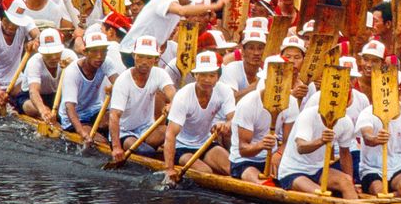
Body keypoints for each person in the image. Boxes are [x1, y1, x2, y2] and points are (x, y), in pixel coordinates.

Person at [162, 51, 235, 182]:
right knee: (205, 172)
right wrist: (169, 168)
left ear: (217, 77)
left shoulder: (224, 90)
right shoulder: (183, 95)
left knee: (231, 169)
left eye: (212, 75)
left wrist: (226, 125)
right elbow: (170, 134)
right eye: (202, 75)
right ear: (195, 75)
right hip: (182, 146)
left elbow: (233, 118)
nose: (207, 80)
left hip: (205, 142)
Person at [277, 86, 358, 199]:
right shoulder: (307, 115)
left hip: (319, 169)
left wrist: (351, 182)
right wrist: (321, 141)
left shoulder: (346, 121)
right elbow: (301, 147)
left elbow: (345, 153)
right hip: (293, 171)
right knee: (320, 193)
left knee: (346, 182)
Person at [228, 58, 299, 181]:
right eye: (273, 80)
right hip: (245, 160)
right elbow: (243, 149)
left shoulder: (291, 102)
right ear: (265, 81)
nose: (278, 84)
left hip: (272, 157)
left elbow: (289, 140)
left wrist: (279, 154)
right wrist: (262, 145)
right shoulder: (248, 104)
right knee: (262, 182)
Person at [108, 35, 176, 163]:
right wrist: (116, 148)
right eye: (140, 56)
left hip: (147, 129)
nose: (144, 61)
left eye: (149, 57)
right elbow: (114, 116)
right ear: (134, 56)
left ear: (156, 59)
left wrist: (173, 103)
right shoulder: (123, 80)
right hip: (125, 131)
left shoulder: (160, 74)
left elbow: (172, 93)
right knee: (146, 152)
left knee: (172, 132)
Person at [121, 0, 224, 53]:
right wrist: (215, 5)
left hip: (150, 51)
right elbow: (181, 11)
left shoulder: (178, 1)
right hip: (131, 50)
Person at [355, 87, 401, 197]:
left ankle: (389, 198)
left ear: (400, 92)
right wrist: (375, 139)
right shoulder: (368, 112)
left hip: (398, 167)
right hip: (372, 169)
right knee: (379, 191)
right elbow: (367, 136)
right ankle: (384, 198)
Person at [59, 29, 118, 142]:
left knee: (117, 122)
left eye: (103, 51)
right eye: (94, 51)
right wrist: (82, 133)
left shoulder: (106, 62)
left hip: (95, 109)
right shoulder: (72, 72)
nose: (99, 56)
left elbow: (120, 84)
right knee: (102, 142)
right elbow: (69, 107)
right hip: (74, 115)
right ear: (85, 52)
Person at [22, 28, 78, 123]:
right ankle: (44, 116)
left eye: (56, 53)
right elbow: (33, 91)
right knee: (29, 107)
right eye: (48, 54)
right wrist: (43, 110)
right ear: (41, 52)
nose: (53, 58)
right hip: (33, 96)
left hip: (57, 95)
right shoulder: (34, 62)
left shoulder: (70, 56)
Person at [220, 25, 267, 99]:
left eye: (260, 48)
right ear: (242, 50)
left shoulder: (263, 72)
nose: (256, 53)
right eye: (251, 48)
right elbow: (230, 100)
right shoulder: (231, 69)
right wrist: (256, 86)